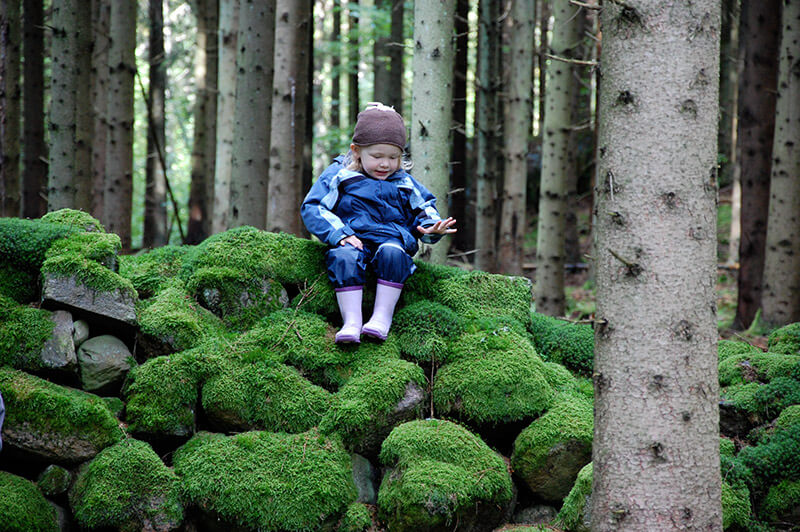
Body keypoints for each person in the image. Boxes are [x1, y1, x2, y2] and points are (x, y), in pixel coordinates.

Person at [301, 102, 456, 343]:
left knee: (393, 254)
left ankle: (381, 318)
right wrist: (340, 234)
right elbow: (314, 207)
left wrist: (431, 229)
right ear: (356, 151)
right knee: (343, 257)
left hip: (390, 241)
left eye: (393, 157)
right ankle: (352, 321)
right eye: (377, 156)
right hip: (354, 239)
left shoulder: (404, 182)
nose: (385, 164)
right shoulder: (340, 174)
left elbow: (425, 209)